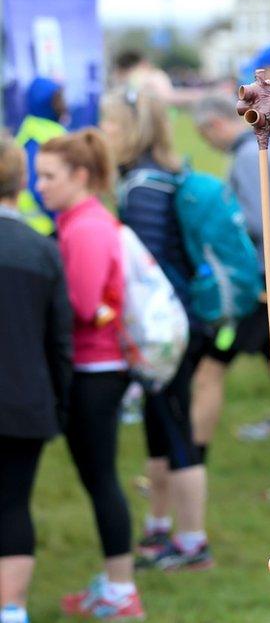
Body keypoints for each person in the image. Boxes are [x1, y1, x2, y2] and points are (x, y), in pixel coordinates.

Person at [35, 129, 145, 619]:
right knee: (97, 476)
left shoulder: (84, 227)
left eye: (48, 176)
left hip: (95, 366)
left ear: (79, 176)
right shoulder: (82, 221)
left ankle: (122, 590)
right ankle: (115, 581)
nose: (39, 186)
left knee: (101, 477)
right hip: (96, 363)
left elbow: (80, 305)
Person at [100, 88, 212, 570]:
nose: (103, 132)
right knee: (160, 428)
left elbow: (146, 272)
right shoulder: (158, 176)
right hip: (180, 320)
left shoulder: (143, 188)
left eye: (109, 123)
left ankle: (192, 544)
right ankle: (162, 527)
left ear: (129, 128)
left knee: (176, 431)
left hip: (167, 329)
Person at [190, 93, 270, 446]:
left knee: (210, 369)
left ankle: (192, 456)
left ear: (216, 124)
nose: (209, 144)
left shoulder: (246, 156)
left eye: (205, 136)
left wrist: (216, 226)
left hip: (263, 284)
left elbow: (254, 221)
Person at [0, 135, 72, 623]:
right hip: (24, 401)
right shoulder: (42, 250)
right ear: (21, 182)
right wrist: (58, 403)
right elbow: (59, 343)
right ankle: (12, 608)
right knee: (12, 504)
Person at [14, 77, 68, 235]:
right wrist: (61, 217)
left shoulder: (43, 130)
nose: (64, 104)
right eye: (58, 99)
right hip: (43, 229)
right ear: (46, 103)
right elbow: (36, 188)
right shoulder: (36, 139)